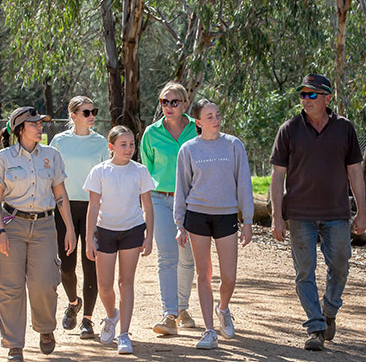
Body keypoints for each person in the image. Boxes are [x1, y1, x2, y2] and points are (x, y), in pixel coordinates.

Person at [269, 74, 366, 351]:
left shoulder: (344, 129)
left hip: (337, 212)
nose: (305, 99)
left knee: (340, 264)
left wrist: (362, 211)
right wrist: (277, 216)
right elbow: (277, 177)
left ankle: (329, 310)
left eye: (312, 95)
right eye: (302, 94)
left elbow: (355, 172)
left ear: (327, 98)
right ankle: (315, 327)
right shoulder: (289, 129)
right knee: (305, 273)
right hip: (300, 214)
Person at [0, 106, 77, 361]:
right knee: (10, 286)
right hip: (12, 224)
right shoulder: (4, 158)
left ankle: (45, 329)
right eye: (34, 123)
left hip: (44, 226)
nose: (40, 127)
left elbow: (60, 194)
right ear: (19, 129)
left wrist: (69, 228)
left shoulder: (52, 155)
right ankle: (14, 344)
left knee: (44, 283)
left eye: (41, 123)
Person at [173, 99, 254, 350]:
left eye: (217, 115)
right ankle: (209, 330)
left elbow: (244, 183)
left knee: (229, 276)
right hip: (197, 215)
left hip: (226, 215)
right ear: (198, 122)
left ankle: (223, 308)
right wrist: (180, 222)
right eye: (209, 116)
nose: (216, 120)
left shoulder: (233, 145)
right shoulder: (188, 149)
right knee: (204, 274)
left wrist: (248, 220)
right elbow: (182, 187)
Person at [83, 125, 155, 354]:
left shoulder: (140, 171)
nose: (129, 149)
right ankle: (111, 315)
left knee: (126, 283)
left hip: (132, 231)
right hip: (105, 232)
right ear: (111, 147)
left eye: (132, 144)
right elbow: (93, 207)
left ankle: (124, 334)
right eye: (123, 145)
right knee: (104, 286)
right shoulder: (99, 171)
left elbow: (148, 206)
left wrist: (149, 236)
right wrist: (88, 239)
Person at [140, 81, 198, 335]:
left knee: (187, 257)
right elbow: (147, 170)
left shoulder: (197, 129)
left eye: (175, 102)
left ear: (185, 104)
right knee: (167, 256)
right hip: (161, 200)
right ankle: (169, 314)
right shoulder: (151, 134)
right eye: (165, 101)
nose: (169, 106)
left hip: (192, 201)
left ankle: (183, 307)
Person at [49, 96, 110, 339]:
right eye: (86, 112)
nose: (91, 115)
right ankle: (74, 303)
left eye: (93, 111)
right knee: (66, 266)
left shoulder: (101, 142)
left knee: (90, 264)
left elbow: (107, 177)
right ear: (73, 115)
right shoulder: (59, 141)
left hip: (93, 208)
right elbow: (51, 175)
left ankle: (88, 320)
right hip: (64, 208)